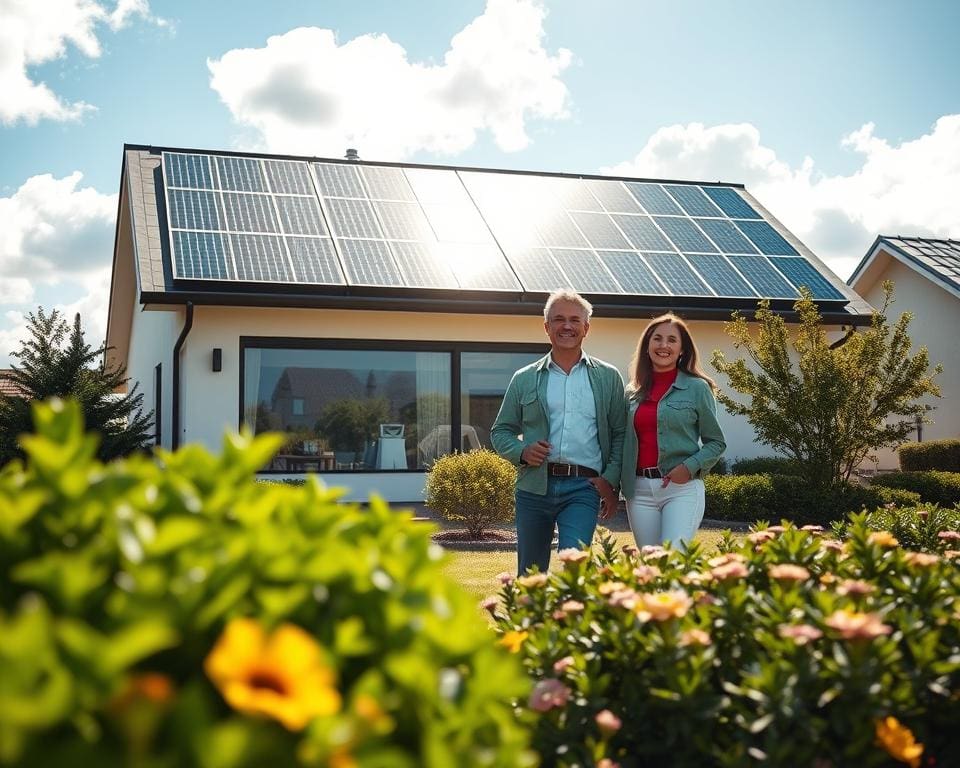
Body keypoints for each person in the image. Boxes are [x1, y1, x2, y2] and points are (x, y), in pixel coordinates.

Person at [492, 289, 626, 574]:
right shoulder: (524, 378)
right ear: (546, 327)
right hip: (533, 487)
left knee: (574, 569)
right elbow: (500, 431)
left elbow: (620, 434)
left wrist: (610, 480)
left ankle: (571, 619)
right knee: (530, 575)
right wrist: (522, 452)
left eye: (575, 320)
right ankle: (530, 620)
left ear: (586, 328)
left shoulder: (608, 377)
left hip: (583, 488)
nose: (567, 326)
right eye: (559, 319)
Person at [620, 313, 725, 551]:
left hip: (681, 489)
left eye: (671, 340)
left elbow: (716, 443)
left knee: (673, 559)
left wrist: (688, 468)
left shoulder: (697, 388)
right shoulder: (631, 392)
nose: (663, 345)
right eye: (657, 339)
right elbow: (622, 442)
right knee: (651, 566)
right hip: (638, 491)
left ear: (682, 350)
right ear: (647, 346)